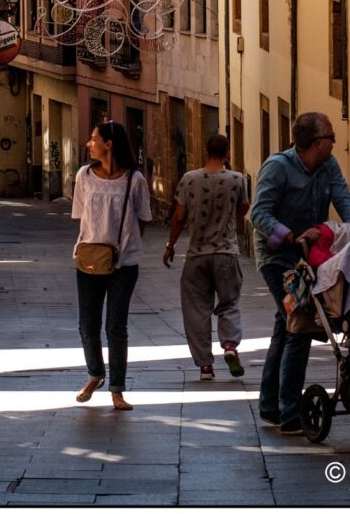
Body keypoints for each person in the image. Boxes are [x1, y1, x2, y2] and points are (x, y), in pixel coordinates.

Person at [250, 112, 350, 435]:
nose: (334, 143)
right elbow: (259, 213)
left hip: (309, 255)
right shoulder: (278, 167)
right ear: (315, 143)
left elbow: (344, 200)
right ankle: (289, 414)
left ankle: (270, 405)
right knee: (300, 323)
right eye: (330, 138)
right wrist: (289, 236)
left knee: (285, 327)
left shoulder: (329, 166)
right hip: (278, 256)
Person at [72, 120, 152, 410]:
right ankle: (95, 373)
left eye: (94, 139)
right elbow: (81, 216)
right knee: (87, 324)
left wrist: (126, 245)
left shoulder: (135, 180)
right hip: (89, 260)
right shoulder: (84, 176)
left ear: (110, 144)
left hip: (124, 264)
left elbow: (143, 217)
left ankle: (117, 388)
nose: (89, 144)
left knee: (116, 326)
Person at [163, 133, 250, 382]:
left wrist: (170, 245)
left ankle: (205, 366)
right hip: (226, 253)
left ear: (205, 151)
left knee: (196, 309)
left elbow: (179, 217)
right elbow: (243, 209)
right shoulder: (236, 179)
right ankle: (230, 346)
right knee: (229, 302)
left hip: (197, 255)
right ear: (227, 153)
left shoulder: (189, 180)